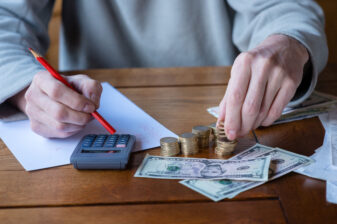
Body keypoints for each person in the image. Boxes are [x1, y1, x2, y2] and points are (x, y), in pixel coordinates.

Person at [0, 0, 328, 140]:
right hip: (87, 116)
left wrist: (288, 43)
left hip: (222, 98)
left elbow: (282, 7)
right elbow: (6, 20)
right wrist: (25, 90)